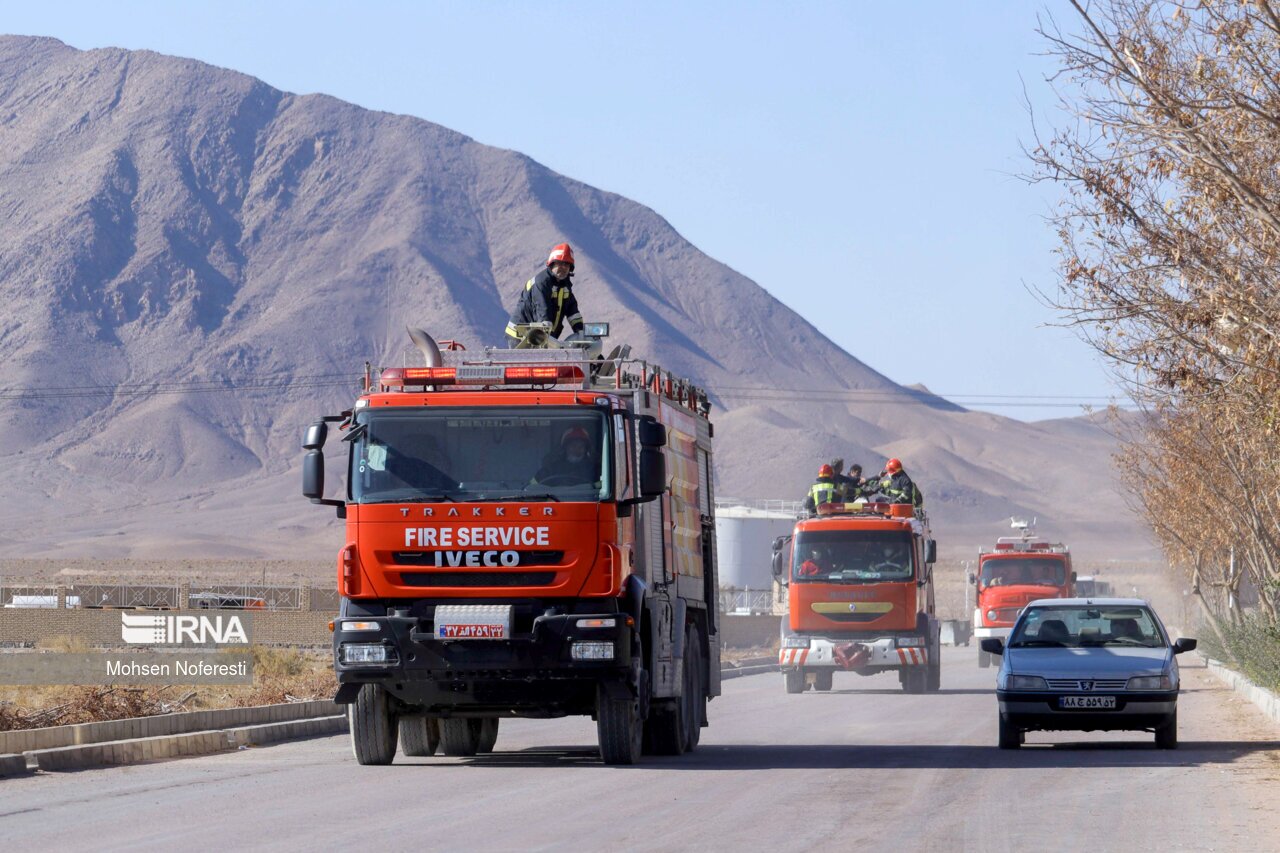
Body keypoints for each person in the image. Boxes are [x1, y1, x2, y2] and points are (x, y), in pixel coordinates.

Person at [505, 243, 585, 346]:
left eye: (566, 264)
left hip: (539, 335)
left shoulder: (565, 285)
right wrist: (546, 329)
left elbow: (572, 310)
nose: (563, 267)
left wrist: (580, 331)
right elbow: (542, 308)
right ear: (552, 264)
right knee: (527, 361)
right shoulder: (541, 282)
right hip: (520, 335)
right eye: (559, 263)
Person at [534, 426, 598, 485]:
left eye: (581, 447)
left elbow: (601, 488)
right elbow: (531, 487)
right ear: (565, 447)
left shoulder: (594, 470)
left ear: (586, 450)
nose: (576, 450)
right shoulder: (552, 468)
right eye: (573, 445)